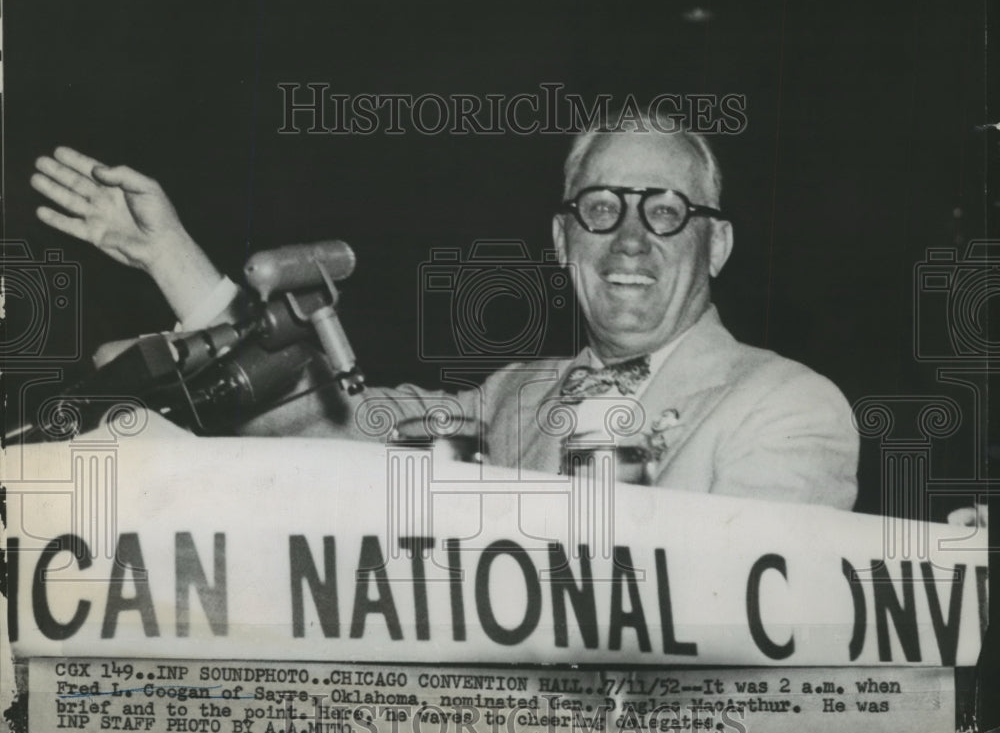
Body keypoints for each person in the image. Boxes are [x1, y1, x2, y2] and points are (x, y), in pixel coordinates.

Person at [30, 118, 859, 509]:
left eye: (667, 212)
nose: (632, 240)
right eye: (602, 208)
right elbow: (329, 431)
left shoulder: (788, 407)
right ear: (564, 242)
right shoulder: (510, 399)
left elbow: (752, 645)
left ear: (715, 247)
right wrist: (170, 256)